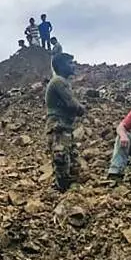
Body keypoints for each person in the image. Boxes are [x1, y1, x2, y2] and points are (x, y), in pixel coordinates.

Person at [45, 52, 86, 192]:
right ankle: (62, 192)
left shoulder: (62, 82)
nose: (73, 65)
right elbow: (72, 104)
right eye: (70, 63)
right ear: (61, 66)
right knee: (61, 157)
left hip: (64, 126)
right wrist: (81, 108)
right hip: (58, 126)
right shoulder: (59, 82)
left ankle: (69, 192)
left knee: (72, 160)